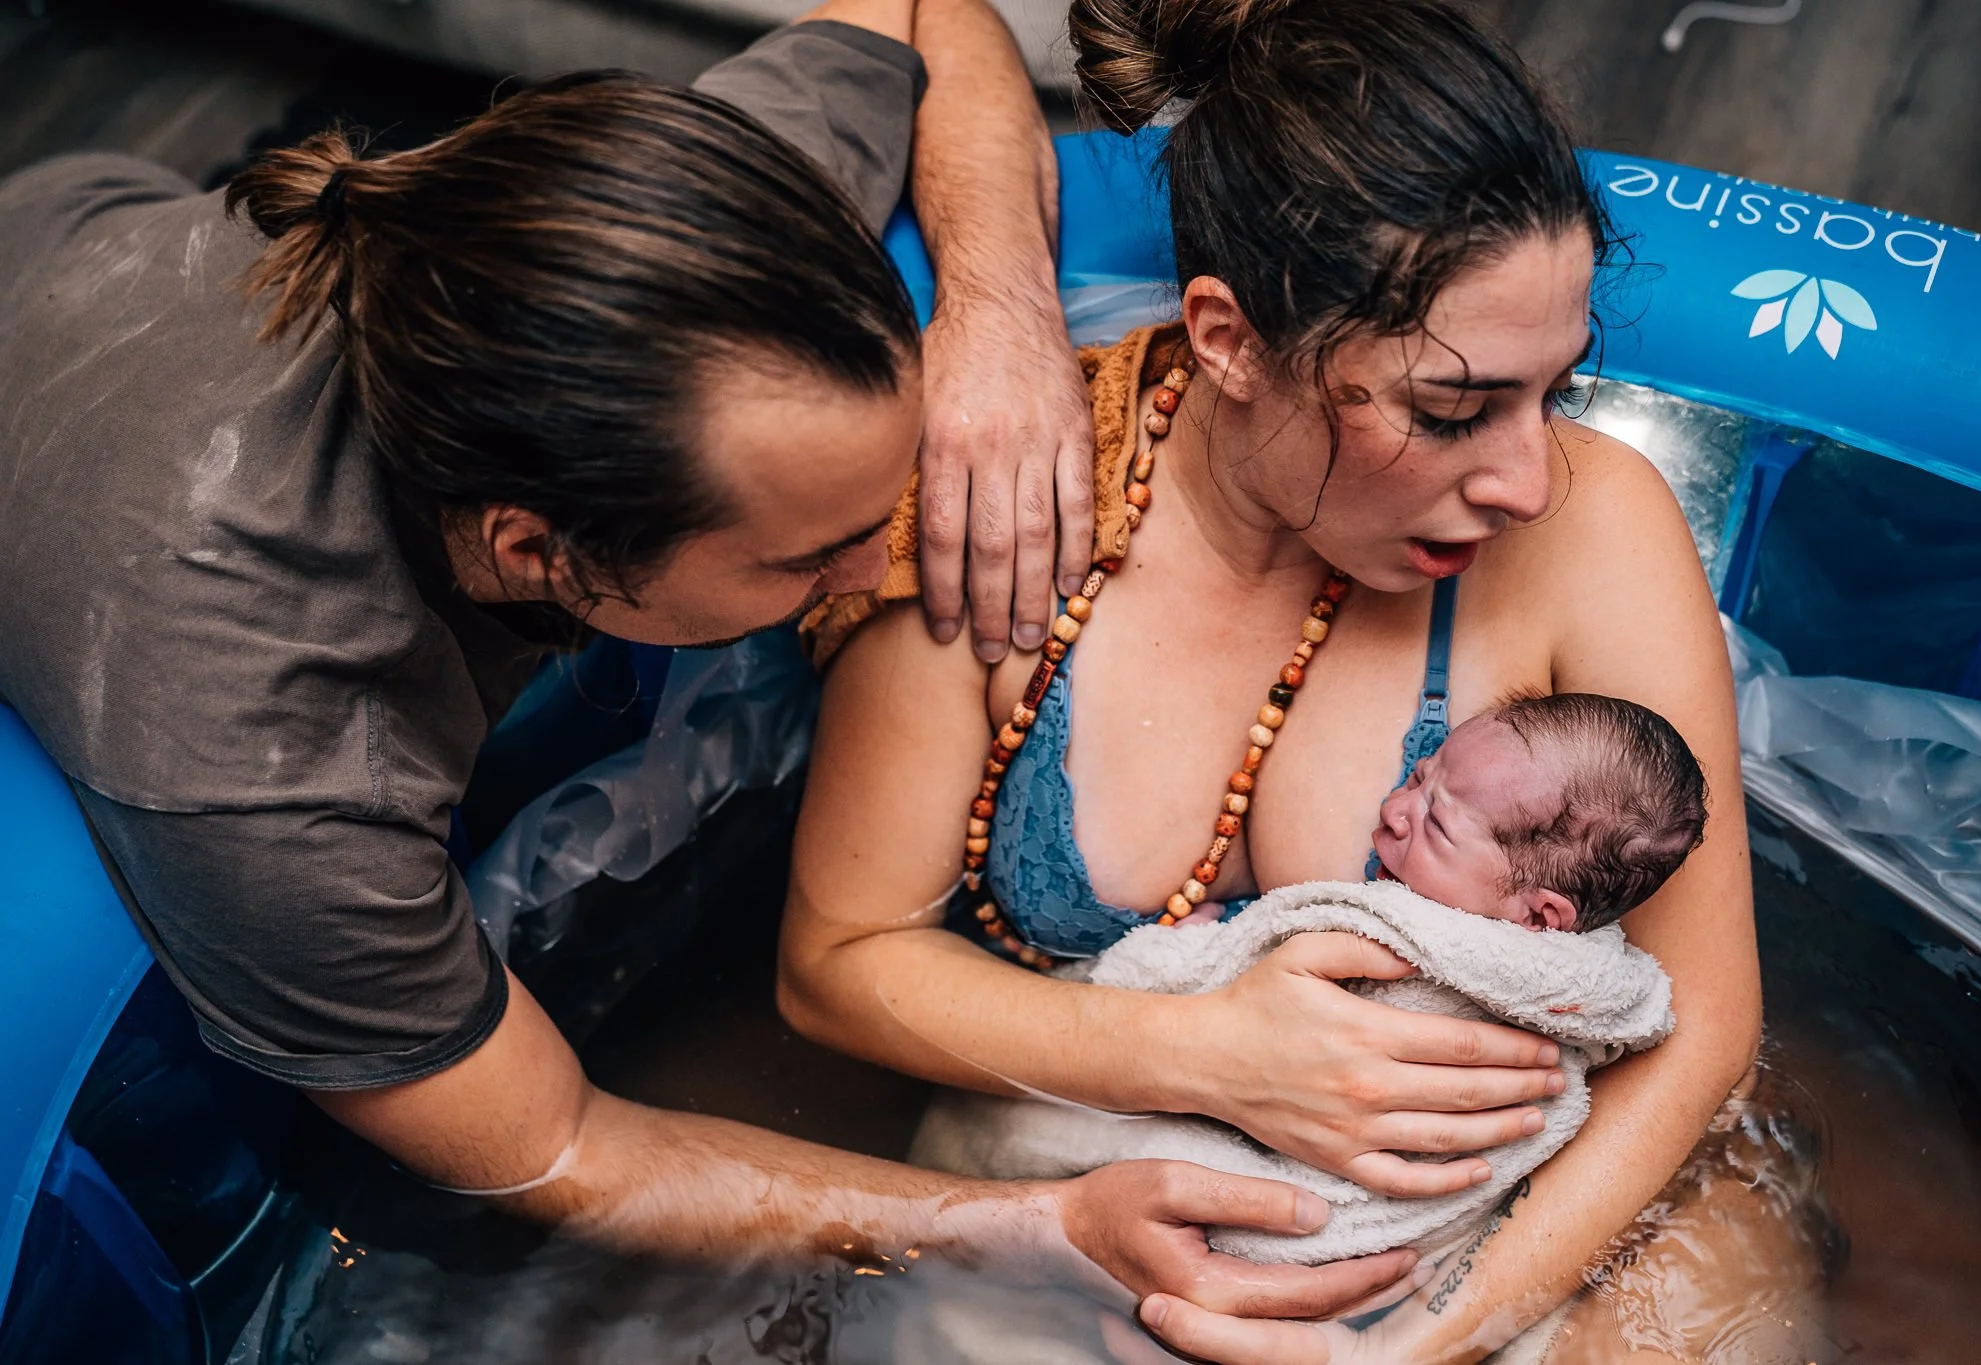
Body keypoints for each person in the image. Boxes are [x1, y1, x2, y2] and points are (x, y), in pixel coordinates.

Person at [0, 0, 1397, 1320]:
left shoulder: (686, 255)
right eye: (811, 558)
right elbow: (556, 1144)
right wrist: (1044, 1224)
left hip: (94, 224)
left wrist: (998, 317)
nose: (876, 572)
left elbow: (926, 10)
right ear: (537, 552)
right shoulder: (262, 747)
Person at [782, 0, 1825, 1359]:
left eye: (1555, 389)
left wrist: (1429, 1340)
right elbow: (838, 964)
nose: (1522, 476)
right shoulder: (1016, 515)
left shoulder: (1592, 520)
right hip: (1115, 1191)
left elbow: (1701, 1023)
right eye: (1451, 411)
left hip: (1519, 1216)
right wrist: (1216, 1053)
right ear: (1227, 340)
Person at [1363, 692, 1708, 936]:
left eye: (1436, 823)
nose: (1392, 810)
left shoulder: (1547, 1000)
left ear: (1539, 916)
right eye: (1418, 777)